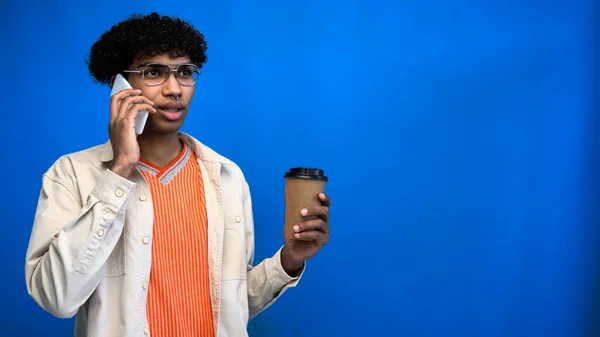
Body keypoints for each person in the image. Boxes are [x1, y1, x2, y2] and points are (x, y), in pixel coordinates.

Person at [24, 12, 331, 337]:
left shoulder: (227, 177)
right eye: (154, 72)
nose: (175, 89)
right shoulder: (72, 174)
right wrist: (119, 171)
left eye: (185, 72)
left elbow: (230, 303)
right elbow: (55, 298)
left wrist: (290, 260)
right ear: (120, 85)